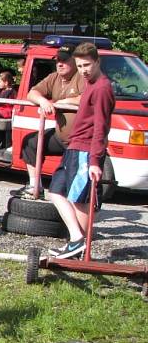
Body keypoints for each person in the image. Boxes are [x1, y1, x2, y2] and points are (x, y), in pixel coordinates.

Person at [46, 42, 114, 259]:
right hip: (74, 146)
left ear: (97, 62)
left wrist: (95, 160)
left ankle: (81, 249)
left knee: (79, 199)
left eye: (87, 65)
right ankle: (76, 240)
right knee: (56, 192)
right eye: (80, 66)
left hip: (86, 150)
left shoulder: (102, 88)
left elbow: (101, 128)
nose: (84, 70)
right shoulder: (90, 85)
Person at [10, 46, 84, 199]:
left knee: (68, 184)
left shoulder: (81, 77)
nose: (60, 64)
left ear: (75, 61)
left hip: (79, 139)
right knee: (30, 142)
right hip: (60, 136)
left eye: (64, 60)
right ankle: (34, 185)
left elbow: (86, 98)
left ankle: (78, 201)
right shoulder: (54, 77)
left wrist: (62, 102)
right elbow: (32, 93)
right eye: (58, 60)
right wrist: (43, 101)